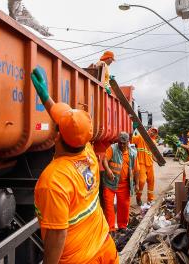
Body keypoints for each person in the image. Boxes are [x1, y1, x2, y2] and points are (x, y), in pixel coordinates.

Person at [31, 68, 118, 264]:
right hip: (105, 249)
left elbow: (57, 236)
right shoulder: (88, 152)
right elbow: (68, 125)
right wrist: (45, 97)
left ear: (57, 136)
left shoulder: (53, 181)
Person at [102, 132, 140, 233]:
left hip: (124, 185)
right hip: (110, 183)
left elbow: (136, 170)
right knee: (109, 206)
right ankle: (111, 228)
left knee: (124, 205)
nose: (122, 145)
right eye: (120, 143)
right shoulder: (112, 148)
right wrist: (108, 170)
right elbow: (104, 160)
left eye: (124, 143)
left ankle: (122, 226)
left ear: (128, 142)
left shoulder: (133, 153)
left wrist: (137, 184)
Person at [132, 127, 158, 206]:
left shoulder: (153, 142)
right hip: (141, 162)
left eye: (154, 132)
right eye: (152, 131)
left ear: (156, 134)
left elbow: (153, 155)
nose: (152, 133)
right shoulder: (140, 137)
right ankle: (138, 197)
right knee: (142, 181)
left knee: (151, 181)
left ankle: (150, 199)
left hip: (150, 164)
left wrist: (157, 160)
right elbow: (131, 139)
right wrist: (133, 129)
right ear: (148, 130)